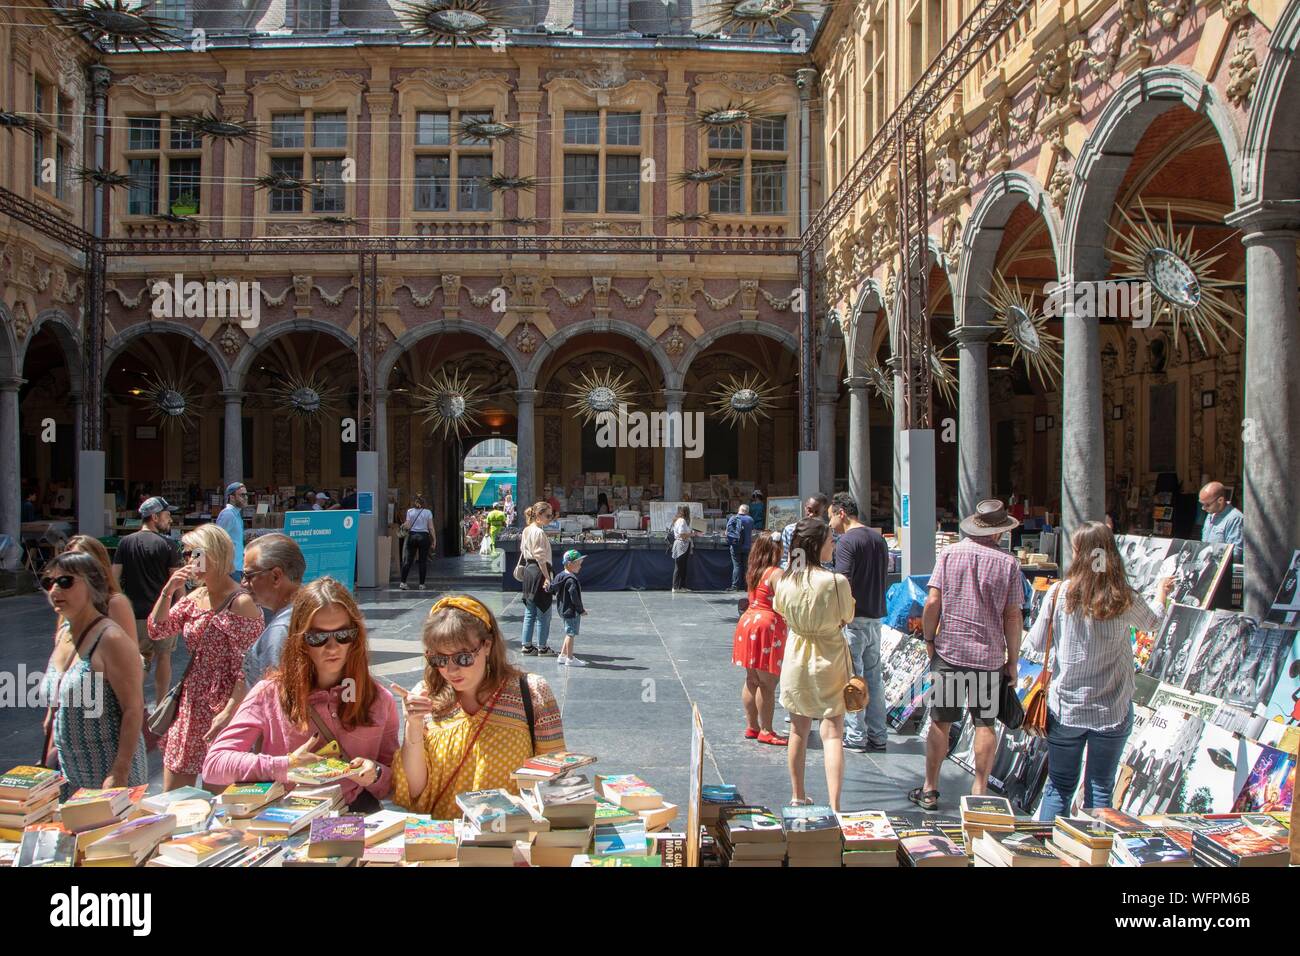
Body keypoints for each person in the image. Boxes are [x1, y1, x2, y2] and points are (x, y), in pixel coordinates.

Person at [204, 577, 399, 813]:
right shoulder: (270, 693)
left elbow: (394, 782)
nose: (333, 647)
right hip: (288, 822)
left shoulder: (379, 699)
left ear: (356, 637)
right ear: (301, 640)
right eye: (318, 638)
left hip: (353, 821)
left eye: (343, 634)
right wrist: (285, 766)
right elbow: (215, 764)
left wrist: (375, 774)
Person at [1027, 521, 1171, 822]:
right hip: (1112, 709)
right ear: (1109, 553)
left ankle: (1046, 852)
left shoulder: (1058, 594)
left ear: (1078, 552)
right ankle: (1093, 852)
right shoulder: (1121, 596)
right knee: (1100, 788)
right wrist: (1161, 594)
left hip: (1067, 708)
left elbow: (1038, 643)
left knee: (1059, 787)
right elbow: (1152, 623)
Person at [392, 595, 565, 819]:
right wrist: (413, 727)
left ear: (487, 645)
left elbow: (554, 780)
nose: (451, 670)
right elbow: (415, 791)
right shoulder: (425, 697)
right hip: (447, 843)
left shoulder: (531, 692)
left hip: (512, 839)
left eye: (463, 658)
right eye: (439, 660)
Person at [914, 499, 1025, 810]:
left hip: (949, 652)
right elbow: (1012, 615)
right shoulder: (1009, 564)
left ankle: (930, 788)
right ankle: (979, 791)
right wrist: (1012, 660)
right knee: (985, 724)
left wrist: (929, 637)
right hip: (988, 658)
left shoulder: (949, 554)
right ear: (999, 533)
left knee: (940, 722)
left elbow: (932, 601)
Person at [147, 523, 263, 792]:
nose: (188, 561)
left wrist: (229, 711)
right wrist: (168, 590)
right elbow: (157, 629)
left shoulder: (241, 602)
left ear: (213, 554)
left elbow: (248, 666)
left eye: (193, 553)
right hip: (192, 701)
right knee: (174, 793)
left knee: (220, 792)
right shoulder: (194, 596)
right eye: (185, 554)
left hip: (224, 703)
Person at [39, 552, 148, 797]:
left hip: (107, 772)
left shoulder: (111, 638)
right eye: (49, 583)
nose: (55, 590)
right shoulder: (64, 633)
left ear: (92, 585)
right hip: (67, 771)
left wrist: (119, 771)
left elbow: (133, 708)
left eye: (65, 582)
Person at [773, 518, 855, 809]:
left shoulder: (785, 579)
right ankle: (835, 804)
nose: (834, 544)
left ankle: (797, 795)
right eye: (831, 540)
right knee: (833, 732)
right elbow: (848, 615)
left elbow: (780, 610)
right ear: (817, 545)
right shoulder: (836, 581)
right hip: (830, 656)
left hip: (796, 655)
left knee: (798, 729)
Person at [828, 492, 889, 754]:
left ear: (841, 513)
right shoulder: (878, 539)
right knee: (874, 678)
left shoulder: (846, 541)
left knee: (852, 678)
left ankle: (855, 735)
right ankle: (879, 734)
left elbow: (843, 582)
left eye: (830, 517)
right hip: (875, 616)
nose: (829, 523)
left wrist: (840, 616)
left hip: (853, 620)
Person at [112, 496, 182, 701]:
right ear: (154, 517)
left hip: (134, 614)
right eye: (167, 515)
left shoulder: (125, 543)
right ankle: (160, 703)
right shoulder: (169, 545)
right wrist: (186, 606)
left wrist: (118, 606)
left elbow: (113, 578)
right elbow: (176, 582)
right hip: (163, 614)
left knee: (141, 658)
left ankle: (131, 700)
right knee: (164, 657)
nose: (170, 520)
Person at [732, 531, 788, 746]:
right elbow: (784, 603)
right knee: (767, 684)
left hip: (747, 623)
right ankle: (766, 730)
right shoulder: (776, 573)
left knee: (752, 679)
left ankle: (752, 726)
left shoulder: (754, 571)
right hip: (767, 626)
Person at [241, 533, 306, 686]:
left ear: (276, 576)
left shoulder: (281, 630)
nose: (243, 583)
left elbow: (276, 699)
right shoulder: (311, 611)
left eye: (248, 575)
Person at [64, 535, 136, 650]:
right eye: (67, 561)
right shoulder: (67, 603)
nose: (71, 568)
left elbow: (131, 656)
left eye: (79, 561)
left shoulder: (115, 603)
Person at [519, 501, 556, 655]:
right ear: (539, 515)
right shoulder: (539, 532)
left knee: (530, 611)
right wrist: (547, 577)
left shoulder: (527, 530)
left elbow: (523, 550)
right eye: (548, 515)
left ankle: (526, 646)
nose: (550, 519)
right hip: (539, 572)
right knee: (544, 611)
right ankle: (542, 647)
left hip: (529, 571)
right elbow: (541, 558)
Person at [551, 549, 588, 667]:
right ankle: (570, 658)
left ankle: (562, 655)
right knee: (570, 634)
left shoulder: (559, 576)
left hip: (562, 609)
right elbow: (574, 597)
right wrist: (581, 610)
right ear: (570, 564)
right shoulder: (571, 580)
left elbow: (551, 588)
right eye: (578, 564)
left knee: (568, 632)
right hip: (571, 611)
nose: (580, 567)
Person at [1198, 480, 1243, 562]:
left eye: (1207, 505)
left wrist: (1212, 557)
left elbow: (1235, 553)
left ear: (1221, 500)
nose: (1203, 508)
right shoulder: (1210, 514)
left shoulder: (1235, 518)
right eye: (1202, 504)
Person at [781, 494, 829, 569]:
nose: (811, 515)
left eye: (816, 512)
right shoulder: (790, 530)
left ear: (824, 511)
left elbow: (831, 562)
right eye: (809, 510)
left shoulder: (828, 533)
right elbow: (783, 559)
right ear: (805, 507)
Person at [399, 494, 435, 591]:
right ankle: (421, 585)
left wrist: (404, 525)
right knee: (423, 561)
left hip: (412, 536)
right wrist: (434, 539)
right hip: (424, 537)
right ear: (424, 503)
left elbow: (408, 525)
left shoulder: (410, 511)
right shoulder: (428, 512)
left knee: (408, 560)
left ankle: (403, 582)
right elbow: (430, 527)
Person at [215, 481, 248, 582]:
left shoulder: (236, 514)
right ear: (232, 497)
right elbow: (215, 539)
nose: (246, 498)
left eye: (246, 495)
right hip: (230, 569)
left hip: (237, 567)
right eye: (242, 495)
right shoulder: (228, 514)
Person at [726, 504, 755, 591]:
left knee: (737, 565)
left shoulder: (732, 518)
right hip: (747, 546)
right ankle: (747, 586)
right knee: (747, 566)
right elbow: (752, 533)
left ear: (739, 510)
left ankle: (735, 586)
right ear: (747, 511)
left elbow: (726, 533)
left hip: (735, 546)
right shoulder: (750, 520)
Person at [670, 505, 694, 592]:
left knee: (682, 567)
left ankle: (682, 586)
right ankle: (676, 587)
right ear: (686, 512)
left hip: (682, 544)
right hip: (682, 545)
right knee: (679, 566)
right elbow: (682, 535)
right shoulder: (682, 521)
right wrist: (692, 534)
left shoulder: (678, 520)